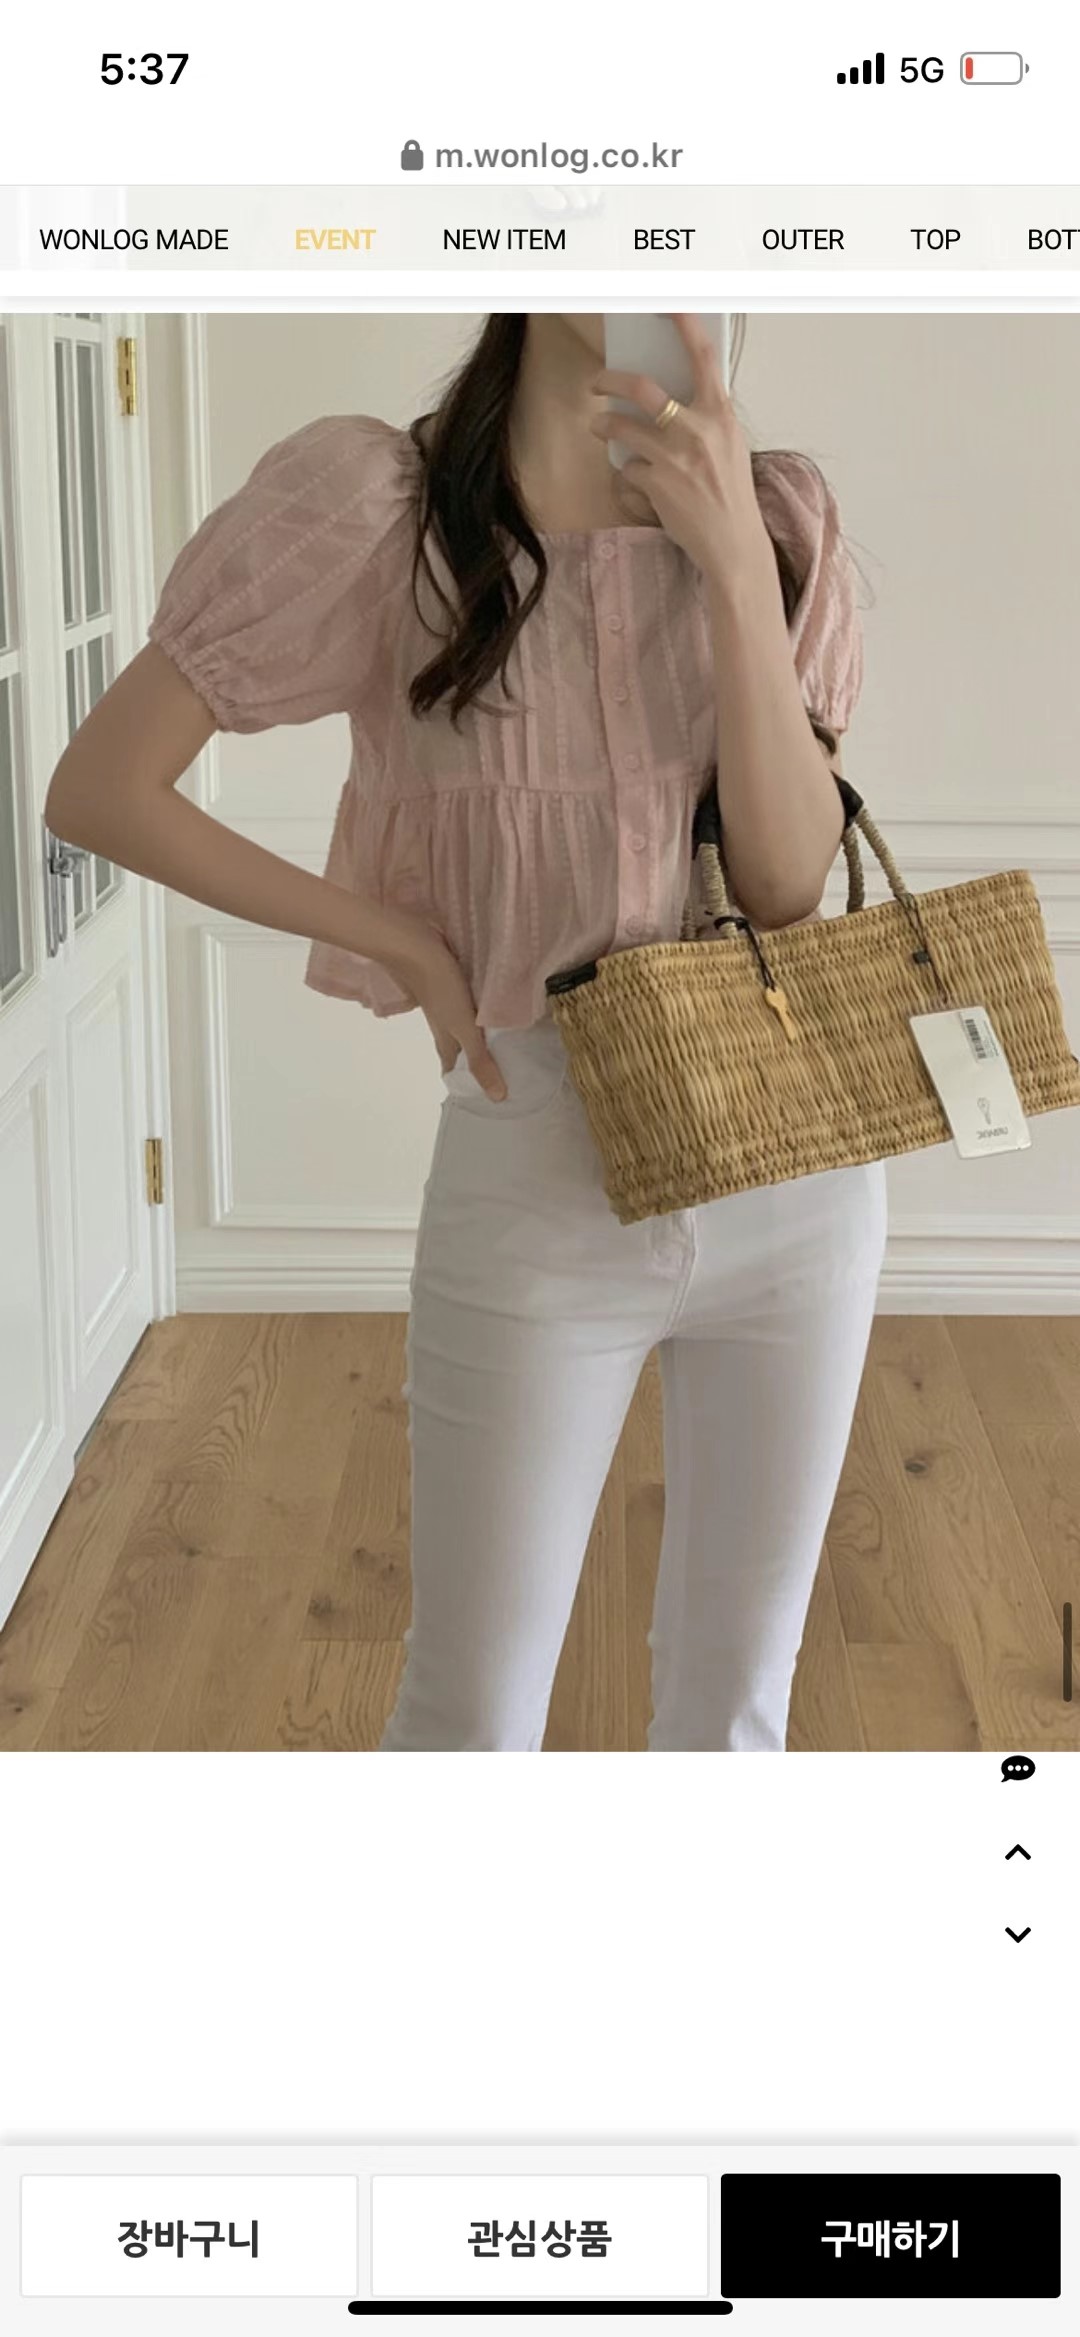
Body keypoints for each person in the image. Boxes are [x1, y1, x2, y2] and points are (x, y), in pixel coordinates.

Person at [44, 312, 888, 1753]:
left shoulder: (779, 514)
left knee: (739, 1710)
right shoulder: (380, 513)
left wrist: (738, 570)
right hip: (540, 1168)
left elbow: (785, 885)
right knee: (467, 1722)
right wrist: (401, 943)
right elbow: (102, 787)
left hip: (798, 1170)